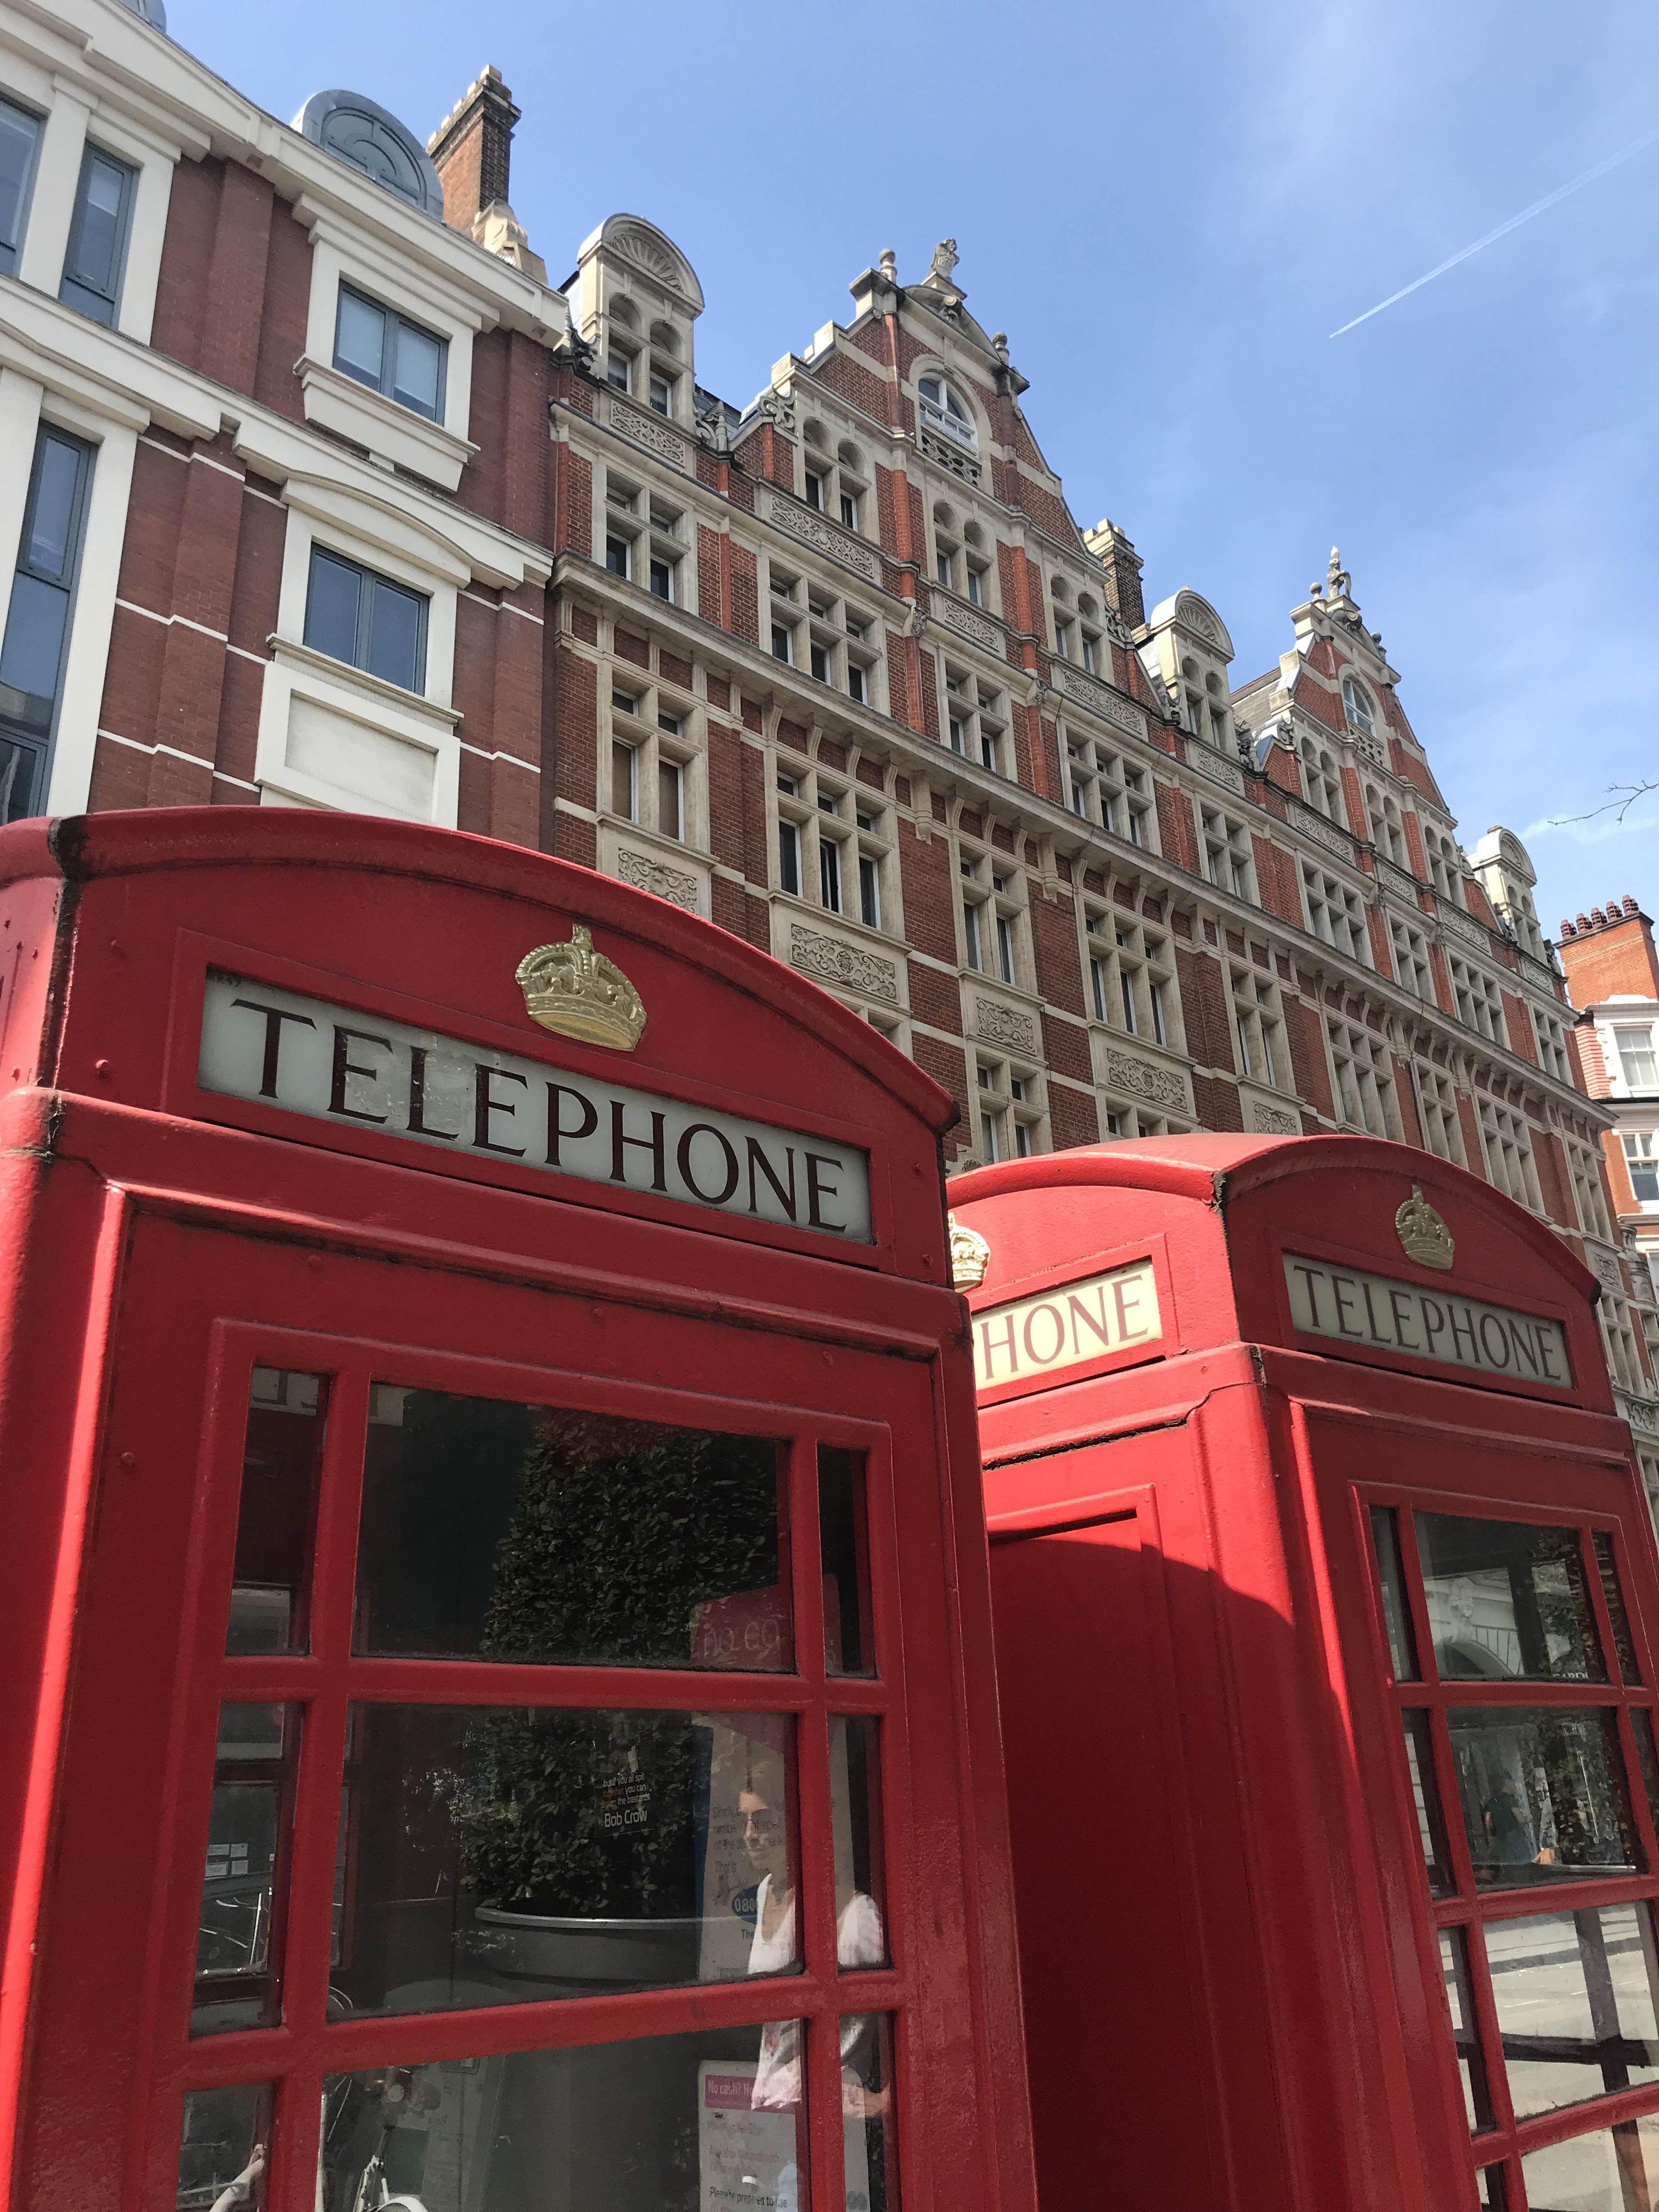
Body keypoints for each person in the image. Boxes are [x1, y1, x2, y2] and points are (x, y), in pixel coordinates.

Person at [737, 1772, 885, 2113]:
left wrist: (886, 2102)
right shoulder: (765, 1892)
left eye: (761, 1822)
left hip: (829, 2115)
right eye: (744, 1822)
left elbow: (908, 2016)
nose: (750, 1835)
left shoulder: (853, 1915)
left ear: (795, 1821)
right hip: (773, 2107)